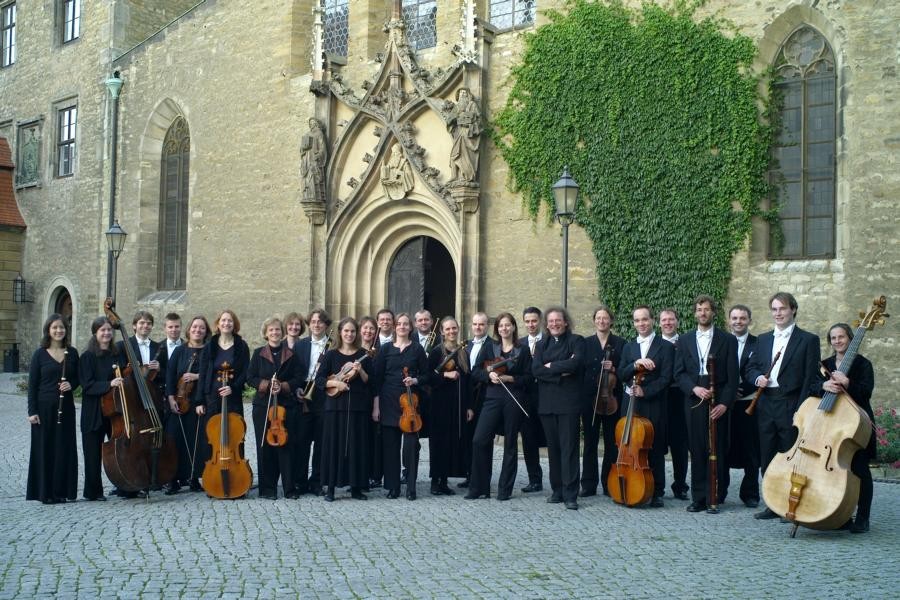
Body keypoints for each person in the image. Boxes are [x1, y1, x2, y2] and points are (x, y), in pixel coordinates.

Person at [745, 291, 820, 520]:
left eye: (783, 309)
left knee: (791, 454)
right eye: (775, 309)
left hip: (791, 403)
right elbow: (751, 368)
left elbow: (810, 378)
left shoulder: (808, 340)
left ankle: (791, 503)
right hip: (766, 402)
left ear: (793, 310)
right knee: (767, 454)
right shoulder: (763, 339)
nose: (778, 313)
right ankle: (771, 503)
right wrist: (758, 378)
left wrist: (801, 410)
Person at [674, 295, 738, 513]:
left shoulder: (727, 340)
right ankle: (699, 497)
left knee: (718, 448)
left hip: (718, 398)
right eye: (699, 310)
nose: (703, 313)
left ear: (713, 313)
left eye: (707, 309)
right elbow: (679, 373)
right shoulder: (684, 340)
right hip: (694, 398)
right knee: (697, 447)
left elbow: (732, 377)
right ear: (695, 313)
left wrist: (725, 404)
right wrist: (694, 388)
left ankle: (716, 495)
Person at [817, 323, 876, 533]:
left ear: (850, 339)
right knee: (833, 472)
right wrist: (823, 385)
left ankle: (862, 517)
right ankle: (839, 516)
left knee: (860, 470)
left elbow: (866, 392)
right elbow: (809, 388)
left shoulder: (863, 364)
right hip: (831, 424)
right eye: (833, 338)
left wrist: (848, 383)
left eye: (841, 337)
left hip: (856, 425)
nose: (837, 341)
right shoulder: (824, 364)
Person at [469, 313, 530, 501]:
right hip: (492, 397)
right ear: (497, 329)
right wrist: (489, 376)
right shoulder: (490, 347)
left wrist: (509, 378)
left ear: (513, 327)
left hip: (513, 398)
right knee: (479, 439)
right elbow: (476, 371)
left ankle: (505, 490)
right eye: (501, 326)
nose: (504, 328)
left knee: (510, 444)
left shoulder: (523, 350)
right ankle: (480, 488)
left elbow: (529, 378)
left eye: (507, 325)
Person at [619, 305, 675, 508]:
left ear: (652, 320)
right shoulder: (629, 347)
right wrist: (635, 365)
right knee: (631, 446)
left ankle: (657, 491)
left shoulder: (666, 347)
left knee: (654, 447)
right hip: (631, 403)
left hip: (654, 403)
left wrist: (647, 391)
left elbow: (667, 378)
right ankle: (630, 483)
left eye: (644, 319)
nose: (641, 323)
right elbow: (621, 374)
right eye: (637, 320)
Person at [372, 313, 429, 500]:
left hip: (410, 404)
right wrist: (376, 406)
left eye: (406, 324)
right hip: (388, 401)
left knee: (411, 447)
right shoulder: (386, 349)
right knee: (391, 447)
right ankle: (393, 487)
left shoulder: (417, 350)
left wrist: (415, 379)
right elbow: (377, 380)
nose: (402, 326)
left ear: (410, 328)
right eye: (399, 324)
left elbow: (428, 376)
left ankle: (411, 487)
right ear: (395, 327)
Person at [532, 307, 585, 510]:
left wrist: (550, 367)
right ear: (547, 324)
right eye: (551, 321)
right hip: (547, 404)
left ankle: (571, 494)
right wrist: (560, 370)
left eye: (558, 320)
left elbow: (576, 364)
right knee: (553, 449)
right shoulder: (541, 343)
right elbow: (535, 369)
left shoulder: (576, 341)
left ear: (565, 322)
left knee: (569, 449)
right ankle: (557, 490)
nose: (554, 324)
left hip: (569, 404)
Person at [26, 314, 79, 504]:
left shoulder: (72, 353)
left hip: (66, 409)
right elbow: (32, 385)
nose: (59, 331)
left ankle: (62, 491)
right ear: (48, 330)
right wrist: (32, 412)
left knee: (64, 448)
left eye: (62, 327)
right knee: (44, 449)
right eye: (55, 327)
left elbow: (78, 377)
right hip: (43, 408)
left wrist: (71, 384)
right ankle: (45, 493)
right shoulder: (39, 354)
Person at [316, 317, 371, 501]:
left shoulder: (363, 353)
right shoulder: (331, 355)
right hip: (335, 407)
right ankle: (330, 487)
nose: (349, 334)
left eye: (353, 331)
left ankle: (356, 487)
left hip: (357, 408)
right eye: (346, 331)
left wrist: (361, 370)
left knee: (357, 447)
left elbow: (369, 382)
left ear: (357, 334)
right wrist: (336, 384)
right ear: (340, 332)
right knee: (333, 447)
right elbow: (319, 380)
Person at [248, 317, 302, 500]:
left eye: (278, 330)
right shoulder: (258, 353)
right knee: (265, 448)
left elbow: (298, 378)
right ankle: (267, 489)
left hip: (286, 406)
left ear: (282, 332)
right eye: (271, 330)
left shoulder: (291, 354)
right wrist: (266, 385)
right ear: (266, 333)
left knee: (287, 447)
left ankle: (289, 488)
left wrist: (284, 386)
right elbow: (251, 377)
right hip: (263, 406)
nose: (274, 333)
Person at [580, 306, 625, 498]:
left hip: (612, 399)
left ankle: (609, 483)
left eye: (605, 318)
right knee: (589, 442)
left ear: (611, 321)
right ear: (594, 321)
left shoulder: (620, 343)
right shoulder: (585, 343)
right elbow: (580, 369)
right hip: (590, 398)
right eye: (598, 318)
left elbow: (626, 369)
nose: (601, 321)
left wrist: (614, 368)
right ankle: (588, 485)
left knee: (611, 442)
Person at [164, 315, 210, 494]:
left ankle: (194, 477)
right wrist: (171, 398)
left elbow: (211, 374)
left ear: (206, 332)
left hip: (198, 402)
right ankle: (173, 479)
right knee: (175, 440)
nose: (198, 330)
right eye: (195, 327)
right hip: (179, 401)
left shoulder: (208, 351)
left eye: (202, 328)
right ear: (189, 329)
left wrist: (197, 376)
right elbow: (169, 375)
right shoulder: (179, 351)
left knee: (197, 441)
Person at [426, 316, 471, 495]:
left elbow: (468, 381)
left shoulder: (463, 352)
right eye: (448, 329)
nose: (451, 331)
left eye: (454, 328)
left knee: (451, 442)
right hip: (439, 405)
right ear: (442, 332)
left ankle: (444, 480)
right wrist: (445, 375)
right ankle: (436, 481)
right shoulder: (437, 352)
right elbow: (428, 377)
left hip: (458, 404)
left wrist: (469, 406)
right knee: (439, 442)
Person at [78, 316, 121, 501]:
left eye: (109, 330)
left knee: (118, 451)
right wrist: (110, 383)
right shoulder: (87, 356)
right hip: (93, 412)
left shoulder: (116, 354)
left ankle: (124, 486)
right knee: (92, 454)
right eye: (102, 330)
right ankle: (93, 492)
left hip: (114, 412)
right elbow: (87, 385)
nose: (106, 333)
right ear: (95, 333)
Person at [725, 304, 761, 508]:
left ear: (749, 320)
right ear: (729, 320)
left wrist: (741, 389)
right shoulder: (720, 340)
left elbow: (759, 369)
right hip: (725, 404)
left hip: (749, 402)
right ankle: (721, 491)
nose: (738, 321)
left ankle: (750, 493)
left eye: (742, 318)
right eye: (735, 318)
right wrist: (728, 392)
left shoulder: (759, 343)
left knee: (751, 449)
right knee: (725, 448)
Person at [294, 309, 332, 495]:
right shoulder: (300, 345)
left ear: (326, 325)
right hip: (304, 395)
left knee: (321, 442)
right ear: (309, 325)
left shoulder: (332, 345)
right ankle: (300, 481)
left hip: (324, 396)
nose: (316, 324)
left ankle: (317, 481)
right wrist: (296, 389)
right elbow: (294, 372)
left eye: (320, 321)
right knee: (302, 440)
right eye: (313, 321)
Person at [199, 310, 250, 440]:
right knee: (212, 437)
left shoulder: (242, 346)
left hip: (233, 398)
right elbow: (203, 374)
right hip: (212, 398)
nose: (226, 323)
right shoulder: (209, 345)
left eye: (230, 320)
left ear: (234, 324)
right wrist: (199, 401)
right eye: (223, 320)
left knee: (235, 435)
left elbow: (245, 372)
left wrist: (233, 388)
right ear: (218, 324)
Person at [459, 312, 492, 488]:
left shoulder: (493, 345)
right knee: (469, 437)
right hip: (469, 397)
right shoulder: (465, 345)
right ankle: (470, 475)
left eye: (481, 324)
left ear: (487, 326)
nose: (478, 327)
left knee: (483, 439)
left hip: (485, 396)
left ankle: (484, 477)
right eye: (475, 324)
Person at [660, 308, 689, 500]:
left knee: (680, 446)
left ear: (677, 322)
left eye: (671, 319)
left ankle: (680, 485)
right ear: (659, 323)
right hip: (659, 398)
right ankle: (657, 487)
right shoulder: (654, 344)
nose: (668, 323)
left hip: (680, 398)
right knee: (657, 444)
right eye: (664, 320)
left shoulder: (685, 343)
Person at [518, 307, 546, 492]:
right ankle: (534, 479)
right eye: (527, 321)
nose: (531, 324)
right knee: (528, 440)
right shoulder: (519, 344)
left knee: (552, 438)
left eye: (534, 321)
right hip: (526, 397)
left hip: (546, 396)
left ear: (540, 321)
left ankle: (558, 480)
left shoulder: (550, 341)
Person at [358, 315, 381, 491]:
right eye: (365, 328)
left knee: (373, 439)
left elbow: (377, 383)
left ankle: (373, 476)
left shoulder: (380, 352)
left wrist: (376, 406)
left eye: (372, 328)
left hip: (371, 399)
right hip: (355, 400)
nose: (368, 331)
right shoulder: (354, 350)